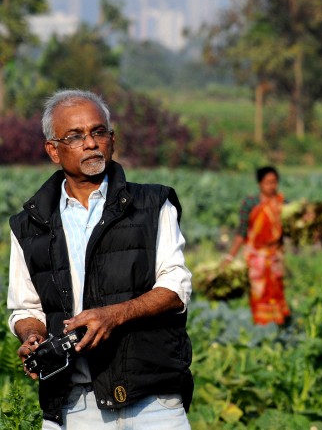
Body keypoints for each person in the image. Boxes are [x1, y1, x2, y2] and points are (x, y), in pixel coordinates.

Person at [6, 89, 193, 429]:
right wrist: (32, 336)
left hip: (152, 400)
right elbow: (25, 307)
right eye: (75, 136)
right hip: (73, 404)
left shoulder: (153, 204)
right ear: (53, 150)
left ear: (112, 139)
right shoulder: (28, 225)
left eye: (98, 132)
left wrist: (113, 315)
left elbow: (175, 287)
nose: (91, 143)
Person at [222, 166, 291, 326]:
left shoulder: (283, 204)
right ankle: (261, 327)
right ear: (259, 183)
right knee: (258, 293)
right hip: (256, 258)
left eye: (274, 182)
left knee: (276, 292)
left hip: (275, 257)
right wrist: (230, 256)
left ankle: (278, 326)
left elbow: (292, 227)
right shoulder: (250, 203)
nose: (271, 186)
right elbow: (242, 232)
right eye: (267, 182)